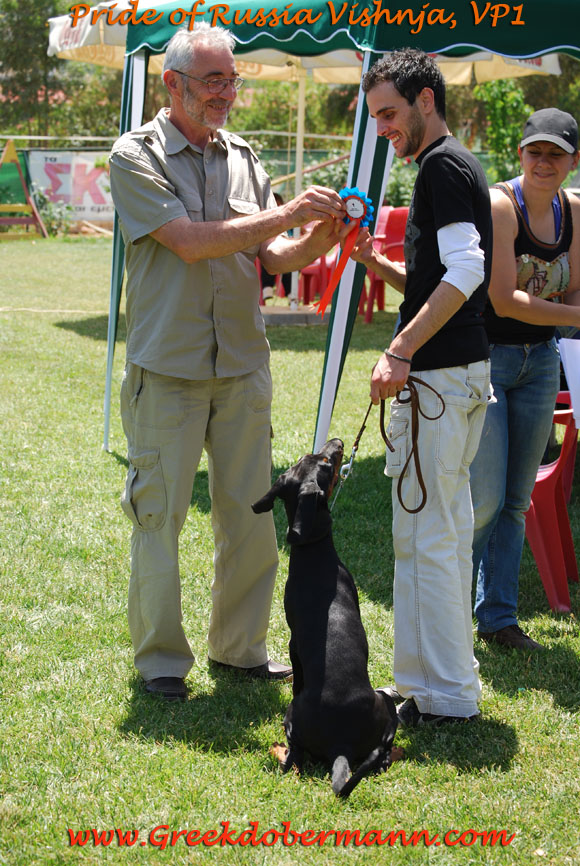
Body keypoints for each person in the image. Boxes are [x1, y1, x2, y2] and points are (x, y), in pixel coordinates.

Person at [109, 23, 346, 700]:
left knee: (251, 517)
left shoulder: (243, 156)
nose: (226, 93)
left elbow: (272, 256)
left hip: (242, 366)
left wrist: (321, 236)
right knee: (159, 518)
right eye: (213, 80)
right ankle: (161, 662)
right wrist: (286, 214)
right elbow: (188, 242)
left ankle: (240, 649)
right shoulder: (134, 154)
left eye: (232, 79)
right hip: (168, 369)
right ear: (172, 83)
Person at [349, 49, 493, 726]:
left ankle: (447, 695)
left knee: (431, 536)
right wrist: (378, 263)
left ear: (425, 100)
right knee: (436, 533)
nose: (382, 128)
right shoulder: (451, 163)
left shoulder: (441, 166)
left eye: (389, 113)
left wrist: (400, 349)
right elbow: (446, 278)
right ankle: (428, 687)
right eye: (375, 116)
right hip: (451, 377)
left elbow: (467, 271)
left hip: (439, 378)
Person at [470, 108, 580, 650]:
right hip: (489, 359)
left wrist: (572, 318)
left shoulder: (575, 210)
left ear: (574, 162)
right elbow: (504, 299)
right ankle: (447, 617)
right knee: (484, 502)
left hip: (541, 362)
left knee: (516, 501)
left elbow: (574, 285)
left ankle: (498, 619)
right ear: (520, 154)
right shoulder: (500, 205)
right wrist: (576, 316)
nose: (544, 162)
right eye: (535, 151)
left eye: (556, 154)